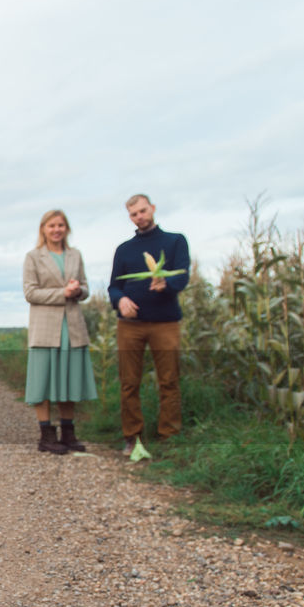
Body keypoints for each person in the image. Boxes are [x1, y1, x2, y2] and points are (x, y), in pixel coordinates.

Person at [106, 194, 191, 454]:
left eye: (143, 211)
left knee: (169, 380)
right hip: (130, 326)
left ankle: (169, 436)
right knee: (129, 382)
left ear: (152, 209)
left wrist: (166, 284)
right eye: (134, 214)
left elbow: (183, 275)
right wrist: (120, 301)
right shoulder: (124, 249)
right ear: (129, 217)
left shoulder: (175, 241)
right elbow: (114, 287)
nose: (139, 217)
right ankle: (132, 437)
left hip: (165, 323)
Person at [22, 209, 98, 454]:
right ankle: (46, 435)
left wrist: (78, 291)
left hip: (72, 327)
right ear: (43, 229)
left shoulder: (75, 255)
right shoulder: (33, 257)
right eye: (52, 225)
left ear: (67, 228)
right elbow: (30, 293)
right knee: (42, 383)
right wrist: (62, 293)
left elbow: (85, 289)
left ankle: (68, 433)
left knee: (69, 380)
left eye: (61, 225)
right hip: (45, 328)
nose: (56, 229)